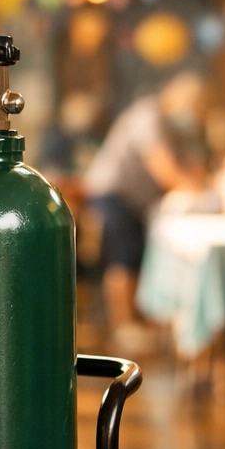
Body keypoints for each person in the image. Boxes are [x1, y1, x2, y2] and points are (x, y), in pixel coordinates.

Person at [83, 73, 210, 346]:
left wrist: (200, 180)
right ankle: (124, 326)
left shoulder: (170, 126)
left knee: (139, 255)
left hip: (137, 200)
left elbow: (188, 163)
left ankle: (140, 323)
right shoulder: (148, 116)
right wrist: (198, 189)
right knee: (123, 257)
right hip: (114, 193)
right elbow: (163, 167)